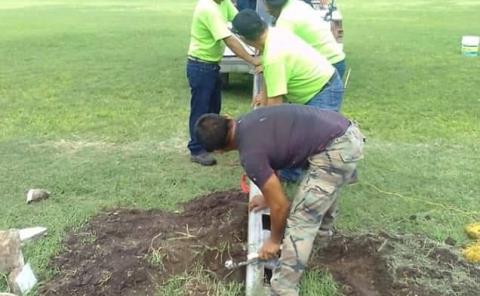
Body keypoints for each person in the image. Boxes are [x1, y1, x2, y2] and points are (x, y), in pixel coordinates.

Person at [195, 105, 364, 295]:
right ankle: (322, 237)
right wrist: (268, 197)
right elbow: (273, 155)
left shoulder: (250, 155)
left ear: (219, 151)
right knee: (322, 190)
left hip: (336, 148)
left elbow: (281, 206)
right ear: (227, 118)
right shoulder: (250, 119)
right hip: (342, 130)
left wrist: (274, 241)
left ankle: (283, 287)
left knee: (302, 219)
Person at [187, 0, 260, 166]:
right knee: (201, 110)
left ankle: (212, 143)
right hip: (200, 66)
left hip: (212, 66)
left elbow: (239, 23)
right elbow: (229, 39)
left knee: (214, 110)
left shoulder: (223, 3)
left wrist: (257, 39)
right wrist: (252, 60)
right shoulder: (208, 8)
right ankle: (196, 149)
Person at [232, 9, 344, 111]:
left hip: (323, 93)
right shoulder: (274, 34)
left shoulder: (274, 56)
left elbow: (275, 108)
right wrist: (263, 98)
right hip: (324, 84)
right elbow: (270, 78)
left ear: (244, 39)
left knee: (314, 133)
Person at [265, 0, 347, 78]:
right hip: (336, 60)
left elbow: (278, 55)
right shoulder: (296, 4)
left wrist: (263, 63)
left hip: (327, 65)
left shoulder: (285, 20)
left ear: (269, 5)